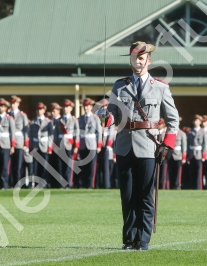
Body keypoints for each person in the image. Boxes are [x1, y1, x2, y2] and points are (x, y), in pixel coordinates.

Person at [103, 41, 178, 251]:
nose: (138, 62)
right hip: (124, 145)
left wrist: (167, 144)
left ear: (148, 61)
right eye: (134, 58)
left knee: (145, 195)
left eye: (141, 58)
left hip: (148, 147)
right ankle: (129, 239)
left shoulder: (161, 87)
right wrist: (106, 117)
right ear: (130, 61)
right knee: (127, 195)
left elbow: (173, 120)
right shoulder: (120, 86)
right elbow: (113, 113)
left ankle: (143, 239)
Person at [77, 98, 102, 189]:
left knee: (92, 167)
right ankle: (83, 184)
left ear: (91, 107)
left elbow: (99, 132)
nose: (86, 108)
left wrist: (99, 145)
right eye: (85, 106)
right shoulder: (80, 118)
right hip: (83, 145)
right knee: (83, 166)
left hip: (92, 145)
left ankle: (91, 185)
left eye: (87, 106)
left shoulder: (95, 118)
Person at [54, 99, 79, 188]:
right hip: (60, 144)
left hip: (69, 145)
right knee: (60, 165)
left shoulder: (74, 120)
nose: (65, 108)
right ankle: (61, 184)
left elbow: (77, 133)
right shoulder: (59, 120)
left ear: (71, 108)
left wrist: (76, 146)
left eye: (67, 107)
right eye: (64, 107)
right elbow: (56, 133)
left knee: (68, 165)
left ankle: (68, 183)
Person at [28, 102, 53, 188]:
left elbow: (51, 135)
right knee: (35, 166)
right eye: (38, 109)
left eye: (41, 109)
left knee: (44, 166)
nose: (39, 111)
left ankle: (43, 183)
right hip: (35, 146)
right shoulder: (33, 122)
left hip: (44, 145)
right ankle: (36, 183)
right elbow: (31, 135)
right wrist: (30, 147)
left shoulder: (48, 121)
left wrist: (49, 147)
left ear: (44, 110)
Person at [0, 99, 15, 190]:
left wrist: (12, 146)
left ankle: (4, 184)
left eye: (2, 106)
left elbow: (12, 133)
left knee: (4, 166)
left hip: (5, 144)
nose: (0, 108)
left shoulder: (9, 118)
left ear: (6, 108)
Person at [9, 96, 28, 189]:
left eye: (14, 103)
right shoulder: (8, 114)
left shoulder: (22, 115)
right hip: (9, 142)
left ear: (18, 104)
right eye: (11, 103)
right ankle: (11, 182)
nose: (12, 105)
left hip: (19, 142)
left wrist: (25, 143)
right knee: (11, 165)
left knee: (18, 165)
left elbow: (26, 130)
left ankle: (18, 183)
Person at [166, 117, 186, 190]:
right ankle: (169, 186)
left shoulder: (182, 133)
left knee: (178, 172)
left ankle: (177, 185)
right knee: (170, 171)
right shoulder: (170, 132)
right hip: (170, 154)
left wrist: (183, 157)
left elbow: (184, 146)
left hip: (178, 155)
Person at [186, 114, 204, 190]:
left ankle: (198, 187)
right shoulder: (190, 132)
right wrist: (187, 155)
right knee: (191, 171)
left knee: (199, 172)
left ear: (200, 122)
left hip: (199, 153)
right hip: (191, 153)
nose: (195, 122)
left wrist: (203, 155)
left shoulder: (203, 132)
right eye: (194, 120)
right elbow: (187, 144)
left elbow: (204, 144)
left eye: (196, 120)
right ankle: (192, 186)